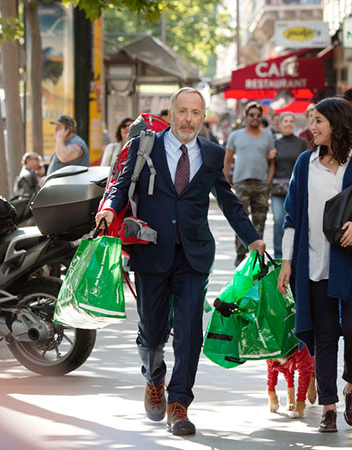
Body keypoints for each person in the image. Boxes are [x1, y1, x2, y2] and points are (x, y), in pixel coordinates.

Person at [95, 87, 265, 436]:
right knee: (152, 333)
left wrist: (252, 238)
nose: (189, 119)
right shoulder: (145, 147)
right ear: (170, 114)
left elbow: (229, 201)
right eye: (183, 112)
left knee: (189, 332)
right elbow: (120, 184)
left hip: (194, 255)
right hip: (151, 251)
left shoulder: (212, 154)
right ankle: (154, 378)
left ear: (203, 118)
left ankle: (179, 402)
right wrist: (108, 211)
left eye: (196, 113)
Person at [277, 97, 352, 433]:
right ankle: (329, 406)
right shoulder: (305, 163)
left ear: (337, 123)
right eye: (311, 121)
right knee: (325, 336)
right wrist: (287, 261)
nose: (311, 127)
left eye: (318, 121)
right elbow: (292, 217)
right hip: (314, 260)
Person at [225, 102, 276, 266]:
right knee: (240, 219)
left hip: (261, 184)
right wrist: (226, 181)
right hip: (241, 183)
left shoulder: (268, 135)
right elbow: (227, 159)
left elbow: (272, 161)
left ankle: (256, 256)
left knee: (259, 221)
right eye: (251, 115)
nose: (255, 118)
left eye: (258, 115)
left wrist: (268, 182)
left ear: (261, 117)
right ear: (245, 117)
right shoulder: (236, 135)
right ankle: (240, 253)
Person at [269, 112, 308, 259]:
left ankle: (293, 254)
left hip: (296, 188)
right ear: (280, 124)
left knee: (295, 222)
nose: (288, 124)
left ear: (294, 124)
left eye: (291, 121)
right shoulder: (275, 143)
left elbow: (306, 164)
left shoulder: (301, 142)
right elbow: (270, 165)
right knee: (279, 220)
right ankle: (279, 255)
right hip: (277, 188)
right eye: (285, 121)